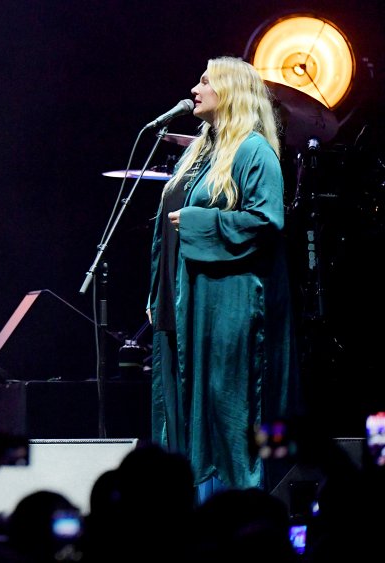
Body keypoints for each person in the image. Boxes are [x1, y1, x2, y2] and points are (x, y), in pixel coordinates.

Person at [146, 56, 298, 499]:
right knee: (184, 412)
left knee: (229, 408)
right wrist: (159, 291)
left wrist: (197, 222)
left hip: (227, 305)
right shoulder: (202, 151)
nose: (195, 88)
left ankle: (243, 519)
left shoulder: (253, 150)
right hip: (185, 300)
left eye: (206, 81)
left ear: (230, 92)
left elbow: (265, 222)